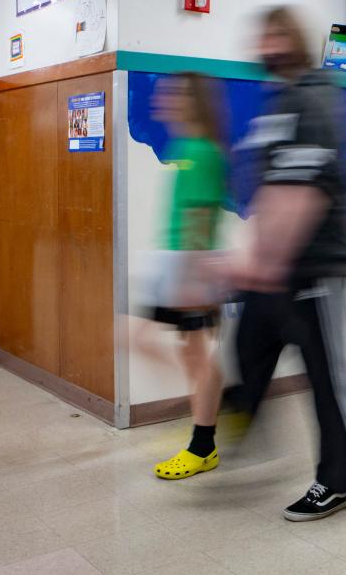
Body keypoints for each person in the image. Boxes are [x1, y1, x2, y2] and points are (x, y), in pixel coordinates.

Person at [229, 6, 346, 522]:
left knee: (328, 382)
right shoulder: (277, 105)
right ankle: (231, 431)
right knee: (250, 346)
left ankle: (338, 482)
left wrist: (268, 263)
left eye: (276, 35)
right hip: (280, 268)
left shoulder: (314, 100)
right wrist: (255, 260)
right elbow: (270, 190)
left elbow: (304, 193)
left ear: (295, 41)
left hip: (318, 267)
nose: (265, 46)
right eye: (262, 35)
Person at [144, 73, 229, 480]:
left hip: (190, 271)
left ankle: (203, 443)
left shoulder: (202, 151)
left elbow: (199, 218)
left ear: (192, 102)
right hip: (176, 265)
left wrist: (193, 284)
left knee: (194, 356)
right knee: (188, 354)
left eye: (173, 95)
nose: (163, 101)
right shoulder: (185, 148)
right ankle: (206, 418)